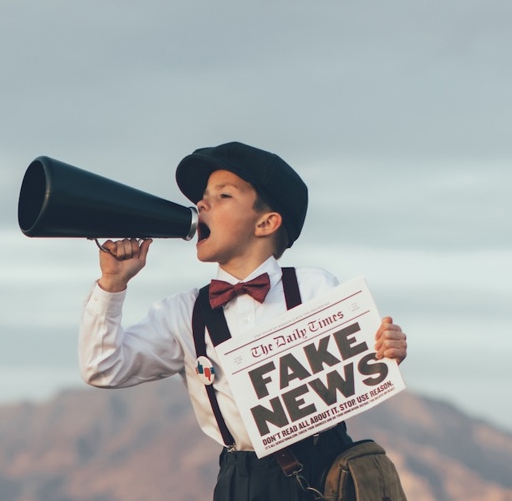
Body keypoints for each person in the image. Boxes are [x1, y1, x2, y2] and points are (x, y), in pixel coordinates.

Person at [79, 142, 409, 501]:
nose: (201, 204)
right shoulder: (181, 312)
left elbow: (361, 366)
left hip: (328, 465)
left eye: (223, 196)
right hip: (244, 478)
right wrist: (112, 285)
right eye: (202, 197)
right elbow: (102, 368)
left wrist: (386, 347)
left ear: (266, 222)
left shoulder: (316, 286)